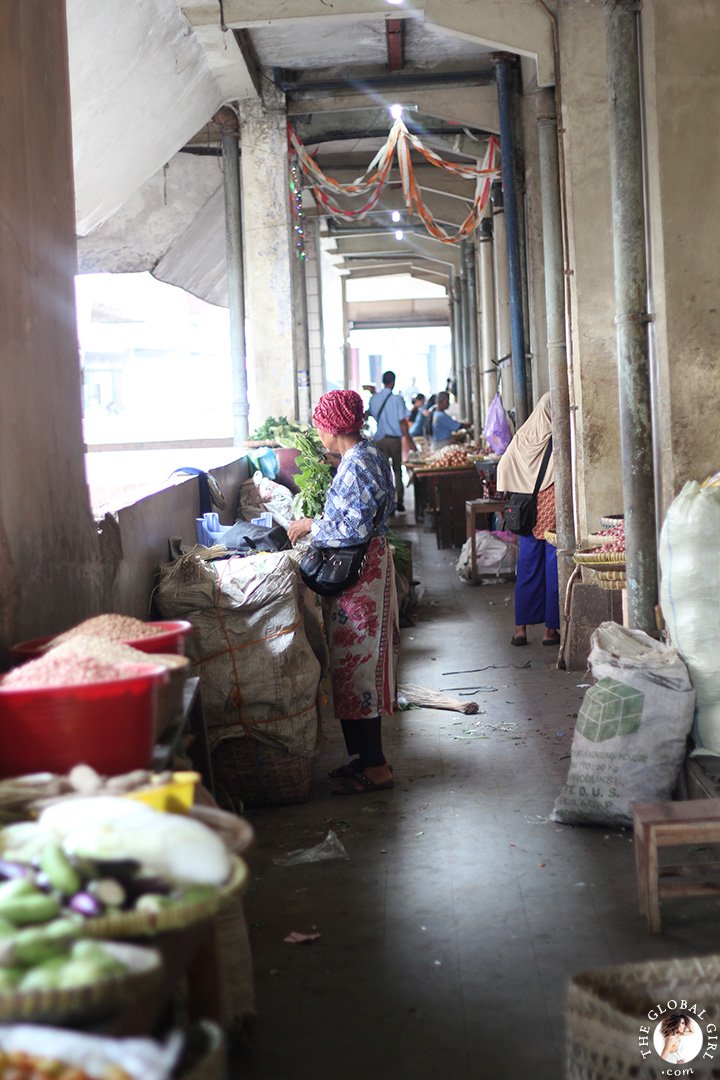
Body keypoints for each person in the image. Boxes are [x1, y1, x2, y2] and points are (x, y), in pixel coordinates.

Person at [288, 389, 399, 796]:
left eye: (319, 423)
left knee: (359, 667)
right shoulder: (364, 455)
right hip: (364, 571)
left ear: (332, 427)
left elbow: (350, 528)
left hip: (361, 577)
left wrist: (310, 526)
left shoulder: (358, 464)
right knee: (353, 667)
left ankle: (377, 767)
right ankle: (365, 758)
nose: (317, 430)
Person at [497, 391, 560, 647]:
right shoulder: (561, 440)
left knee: (526, 570)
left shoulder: (524, 435)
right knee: (553, 570)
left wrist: (519, 484)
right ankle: (549, 631)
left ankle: (520, 630)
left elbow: (503, 466)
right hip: (553, 514)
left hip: (527, 515)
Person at [367, 370, 415, 512]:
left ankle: (386, 505)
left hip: (380, 440)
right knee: (397, 470)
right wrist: (408, 438)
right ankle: (398, 500)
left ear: (383, 382)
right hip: (394, 440)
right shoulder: (397, 399)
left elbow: (369, 414)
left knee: (383, 473)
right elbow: (402, 421)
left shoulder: (374, 399)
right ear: (393, 382)